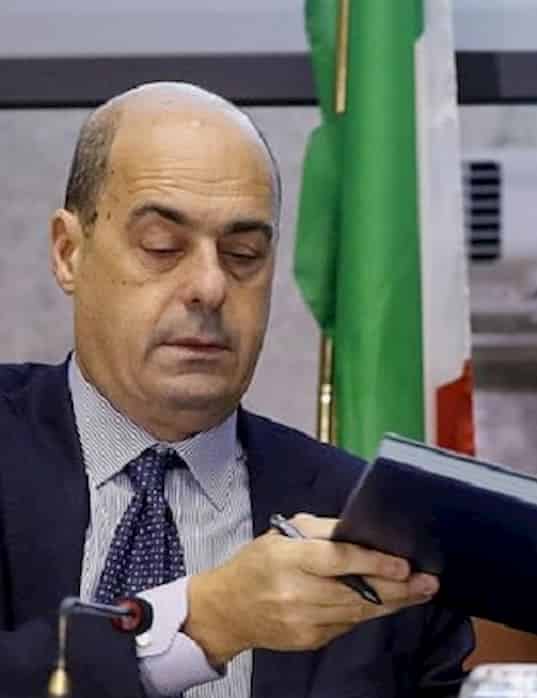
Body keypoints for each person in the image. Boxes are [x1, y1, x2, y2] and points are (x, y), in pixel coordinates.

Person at [0, 82, 472, 697]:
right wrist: (203, 621)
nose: (210, 286)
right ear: (69, 253)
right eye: (162, 247)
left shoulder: (372, 523)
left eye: (243, 254)